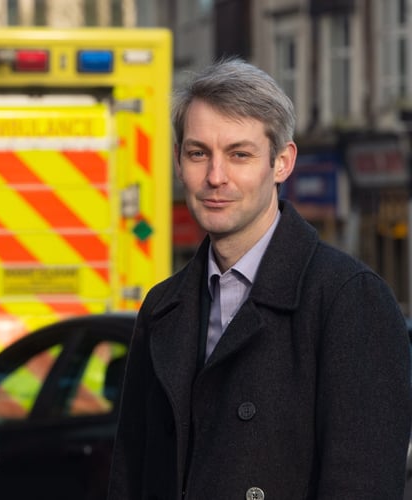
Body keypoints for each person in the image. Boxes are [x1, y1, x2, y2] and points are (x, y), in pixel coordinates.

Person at [107, 58, 412, 500]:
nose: (215, 177)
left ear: (282, 162)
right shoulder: (161, 307)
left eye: (239, 154)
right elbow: (129, 480)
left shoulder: (349, 301)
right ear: (178, 162)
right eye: (198, 153)